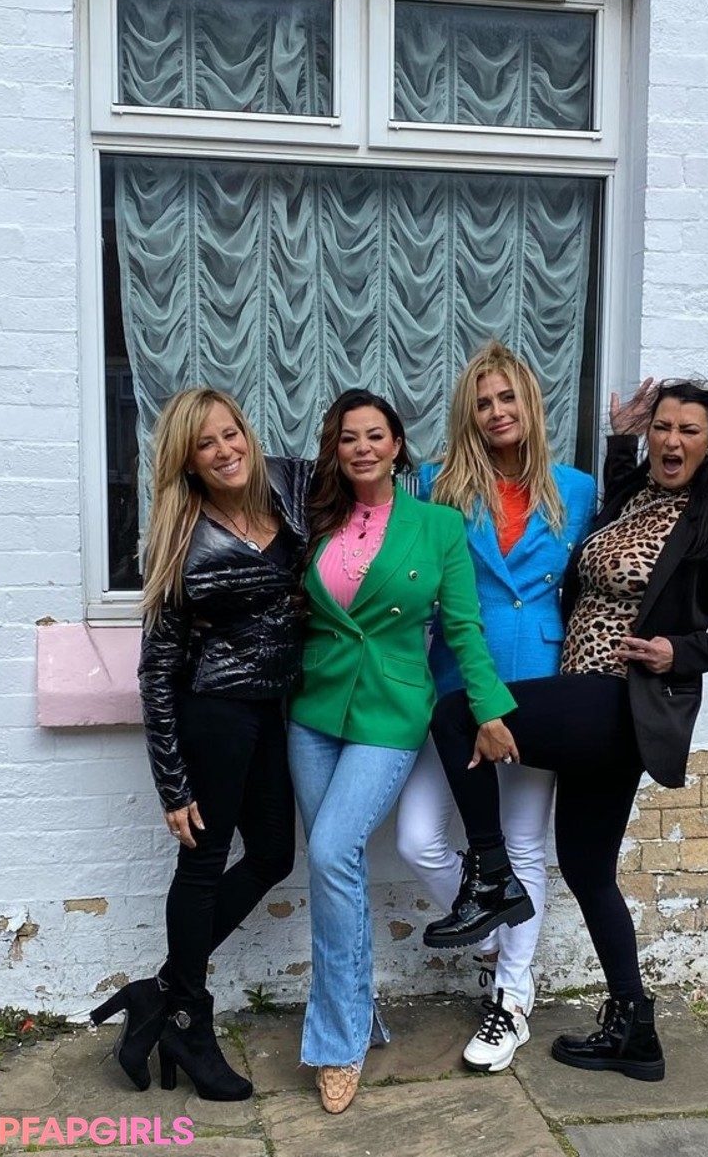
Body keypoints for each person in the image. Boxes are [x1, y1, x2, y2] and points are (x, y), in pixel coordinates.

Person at [423, 378, 708, 1082]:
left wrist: (679, 651)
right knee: (586, 869)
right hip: (582, 694)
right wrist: (619, 439)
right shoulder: (633, 498)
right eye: (663, 427)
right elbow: (611, 502)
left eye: (688, 431)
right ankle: (635, 1030)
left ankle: (491, 878)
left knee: (459, 712)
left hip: (617, 700)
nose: (671, 440)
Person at [286, 388, 518, 1115]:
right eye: (347, 437)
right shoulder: (313, 517)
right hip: (314, 707)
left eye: (375, 435)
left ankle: (337, 1043)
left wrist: (489, 708)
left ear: (396, 446)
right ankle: (357, 1014)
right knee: (337, 866)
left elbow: (463, 628)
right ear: (335, 449)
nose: (362, 447)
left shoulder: (438, 524)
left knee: (331, 852)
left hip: (389, 710)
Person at [92, 387, 312, 1101]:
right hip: (214, 713)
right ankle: (189, 1016)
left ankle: (159, 993)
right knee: (204, 862)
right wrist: (172, 783)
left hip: (271, 708)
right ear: (187, 462)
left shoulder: (289, 487)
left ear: (247, 432)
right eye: (205, 444)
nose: (224, 450)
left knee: (274, 854)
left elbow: (369, 468)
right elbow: (156, 666)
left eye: (230, 434)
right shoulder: (181, 533)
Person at [395, 342, 597, 1072]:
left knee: (522, 845)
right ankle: (491, 932)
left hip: (539, 682)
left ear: (530, 405)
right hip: (458, 684)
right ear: (468, 415)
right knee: (417, 836)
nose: (496, 411)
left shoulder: (576, 489)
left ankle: (511, 996)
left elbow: (599, 574)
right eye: (483, 402)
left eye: (508, 397)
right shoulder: (437, 485)